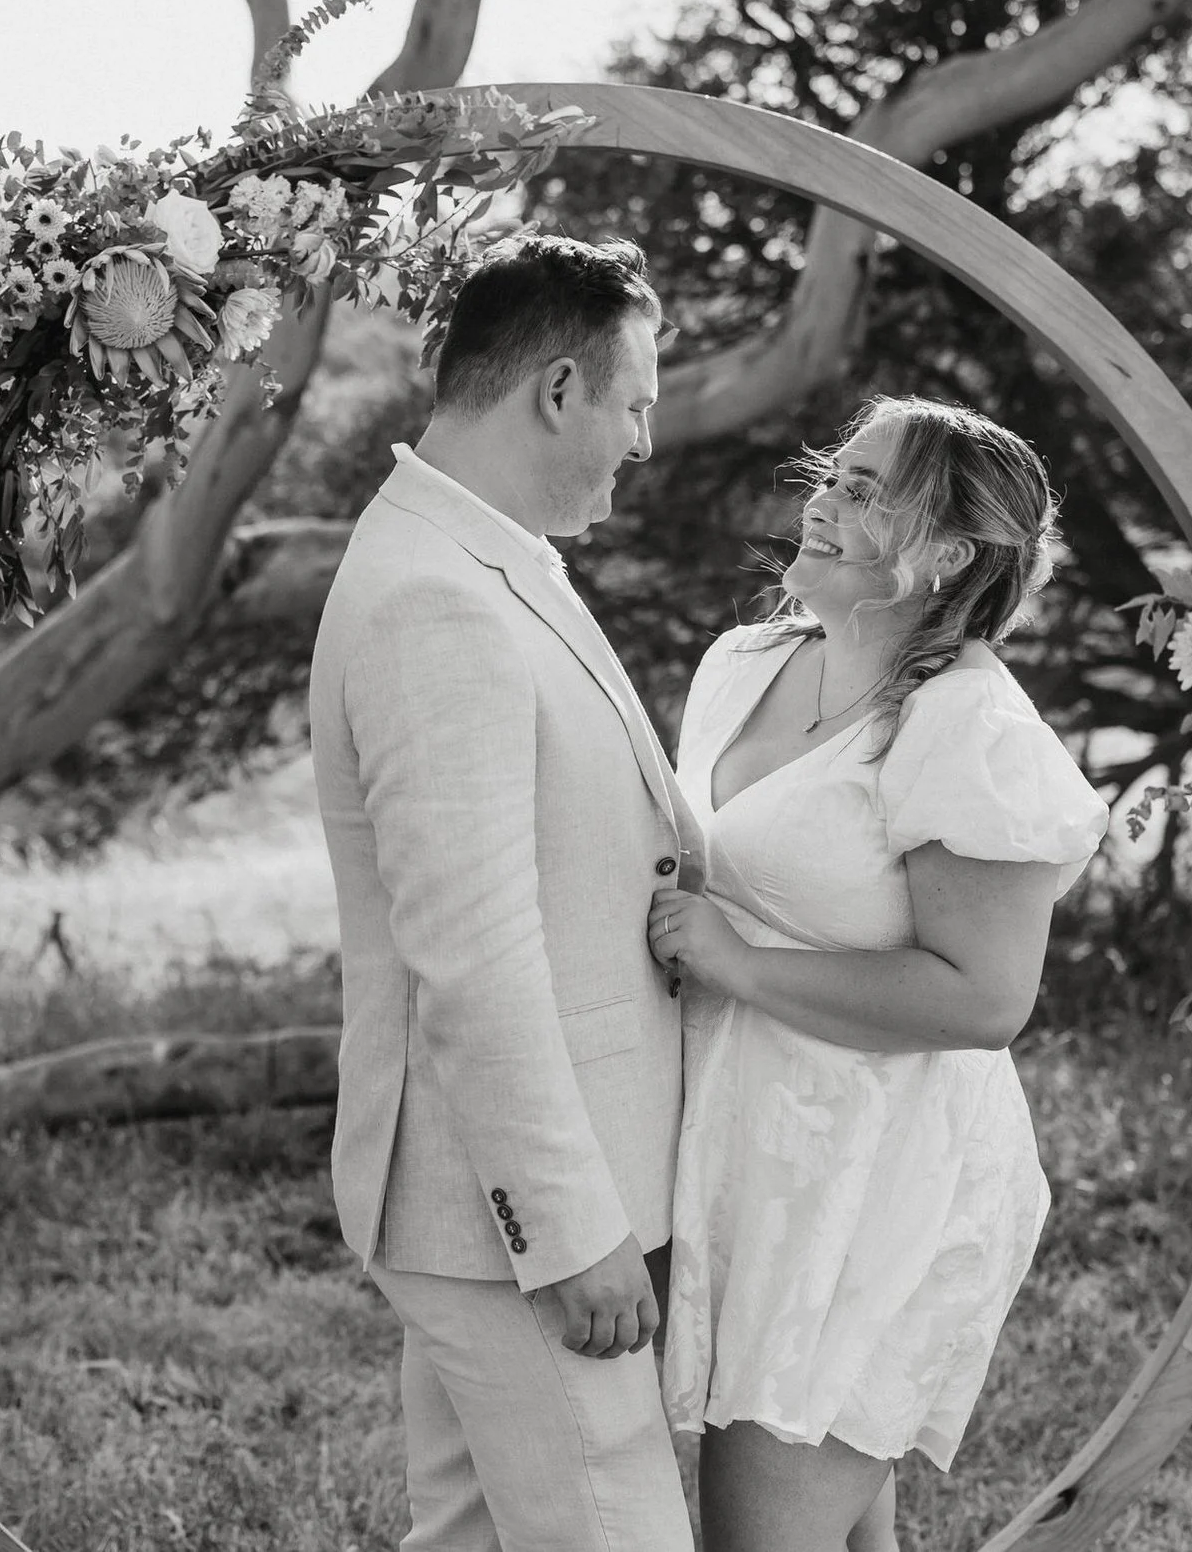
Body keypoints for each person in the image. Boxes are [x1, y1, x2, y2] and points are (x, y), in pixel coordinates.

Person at [646, 396, 1111, 1552]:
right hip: (750, 1143)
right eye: (831, 474)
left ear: (947, 555)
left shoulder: (966, 727)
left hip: (880, 1174)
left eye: (865, 491)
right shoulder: (743, 661)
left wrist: (735, 960)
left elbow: (983, 998)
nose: (823, 500)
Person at [309, 234, 707, 1552]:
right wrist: (572, 1229)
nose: (642, 442)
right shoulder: (438, 598)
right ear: (558, 387)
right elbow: (470, 954)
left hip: (490, 1201)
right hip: (506, 1218)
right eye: (634, 402)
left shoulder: (489, 557)